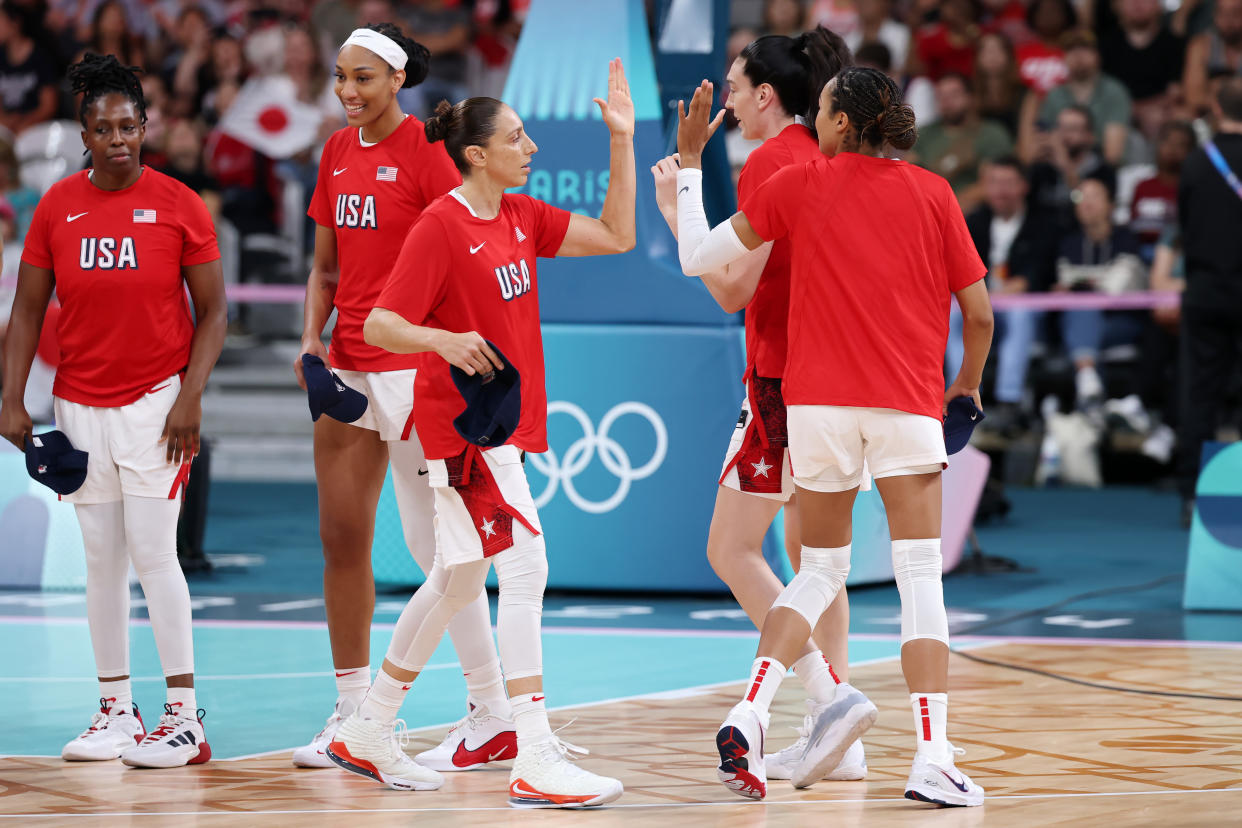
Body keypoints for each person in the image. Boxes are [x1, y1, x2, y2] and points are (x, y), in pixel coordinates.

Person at [674, 66, 993, 806]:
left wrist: (690, 169)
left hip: (815, 409)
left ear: (844, 123)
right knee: (919, 580)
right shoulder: (934, 193)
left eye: (820, 110)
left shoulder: (802, 184)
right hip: (907, 404)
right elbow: (977, 315)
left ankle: (750, 713)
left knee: (817, 572)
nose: (813, 121)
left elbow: (700, 258)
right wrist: (965, 387)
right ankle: (933, 758)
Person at [327, 59, 636, 808]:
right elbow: (379, 323)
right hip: (465, 431)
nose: (531, 149)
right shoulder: (441, 225)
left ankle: (368, 727)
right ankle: (532, 752)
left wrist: (620, 141)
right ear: (477, 154)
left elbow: (619, 234)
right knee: (525, 570)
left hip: (500, 427)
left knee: (460, 577)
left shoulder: (521, 218)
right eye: (517, 138)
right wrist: (442, 340)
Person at [290, 23, 518, 773]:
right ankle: (352, 709)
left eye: (362, 77)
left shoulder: (429, 155)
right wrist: (310, 345)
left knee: (438, 550)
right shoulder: (333, 152)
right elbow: (323, 269)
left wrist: (452, 352)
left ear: (396, 80)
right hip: (347, 371)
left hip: (414, 373)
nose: (347, 92)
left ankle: (492, 710)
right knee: (341, 538)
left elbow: (459, 257)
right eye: (339, 77)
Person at [651, 27, 866, 786]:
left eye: (736, 89)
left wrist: (679, 204)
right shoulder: (828, 156)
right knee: (819, 560)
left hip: (780, 380)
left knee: (732, 549)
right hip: (836, 379)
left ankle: (830, 699)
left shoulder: (776, 160)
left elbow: (732, 287)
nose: (730, 103)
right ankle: (838, 736)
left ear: (767, 95)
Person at [0, 53, 227, 768]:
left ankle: (185, 718)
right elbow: (28, 309)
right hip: (76, 405)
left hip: (156, 404)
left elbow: (215, 312)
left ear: (145, 126)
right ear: (84, 133)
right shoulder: (56, 209)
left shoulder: (180, 203)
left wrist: (190, 396)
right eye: (104, 128)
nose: (119, 138)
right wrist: (12, 399)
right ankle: (115, 710)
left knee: (158, 557)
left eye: (129, 125)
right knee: (102, 562)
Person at [1176, 76, 1242, 523]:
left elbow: (1186, 229)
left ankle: (1193, 497)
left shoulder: (1197, 164)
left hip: (1206, 293)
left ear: (1216, 108)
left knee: (1199, 394)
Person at [954, 156, 1059, 430]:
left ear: (1023, 186)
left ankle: (1008, 402)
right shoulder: (975, 222)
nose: (1000, 190)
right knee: (953, 315)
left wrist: (1017, 286)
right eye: (994, 183)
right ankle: (958, 399)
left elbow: (1038, 273)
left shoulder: (1043, 222)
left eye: (1008, 183)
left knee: (1020, 312)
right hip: (983, 305)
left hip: (1025, 312)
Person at [1055, 173, 1147, 409]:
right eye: (1080, 197)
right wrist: (1096, 281)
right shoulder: (1069, 242)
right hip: (1082, 322)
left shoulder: (1127, 238)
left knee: (1081, 316)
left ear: (1111, 205)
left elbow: (1118, 286)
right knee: (1083, 316)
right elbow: (1065, 280)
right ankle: (1093, 397)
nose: (1086, 203)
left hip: (1122, 321)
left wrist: (1081, 283)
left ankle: (1086, 401)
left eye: (1094, 196)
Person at [907, 72, 1014, 211]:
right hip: (927, 209)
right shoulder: (924, 133)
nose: (947, 102)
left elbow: (990, 184)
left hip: (971, 213)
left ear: (970, 98)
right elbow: (908, 174)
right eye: (941, 97)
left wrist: (950, 209)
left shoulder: (991, 134)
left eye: (954, 95)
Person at [1034, 30, 1132, 168]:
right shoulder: (1054, 94)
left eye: (1085, 50)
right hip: (1057, 168)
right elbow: (1042, 143)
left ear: (1097, 56)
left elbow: (1113, 154)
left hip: (1102, 170)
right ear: (1064, 57)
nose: (1078, 56)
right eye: (1071, 50)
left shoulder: (1114, 91)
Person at [1183, 0, 1242, 117]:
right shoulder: (1201, 46)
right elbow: (1194, 98)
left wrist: (1215, 88)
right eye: (1222, 13)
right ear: (1214, 15)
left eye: (1236, 13)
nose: (1229, 20)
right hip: (1211, 119)